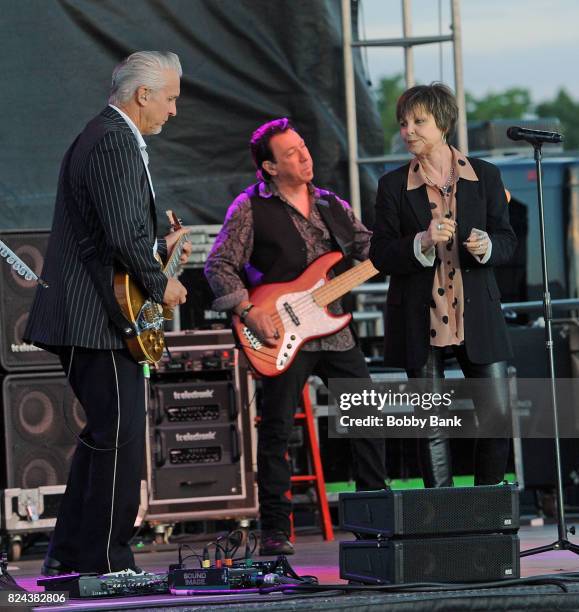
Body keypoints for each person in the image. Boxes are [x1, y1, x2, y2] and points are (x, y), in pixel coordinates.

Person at [24, 51, 190, 576]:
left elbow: (114, 233)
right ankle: (106, 563)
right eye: (170, 99)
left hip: (93, 316)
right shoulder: (115, 140)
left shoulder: (104, 137)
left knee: (105, 438)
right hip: (93, 320)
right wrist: (162, 282)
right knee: (118, 441)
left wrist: (158, 249)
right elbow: (121, 237)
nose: (173, 111)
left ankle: (69, 559)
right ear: (143, 95)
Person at [204, 118, 387, 555]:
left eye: (303, 147)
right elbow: (217, 266)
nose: (304, 156)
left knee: (367, 419)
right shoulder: (249, 207)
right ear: (269, 166)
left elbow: (372, 252)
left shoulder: (332, 205)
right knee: (277, 430)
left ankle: (374, 521)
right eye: (291, 153)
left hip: (334, 328)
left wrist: (413, 245)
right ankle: (275, 530)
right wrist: (248, 312)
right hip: (279, 330)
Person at [369, 83, 517, 488]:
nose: (408, 130)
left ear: (443, 123)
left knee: (497, 415)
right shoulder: (392, 185)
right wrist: (421, 241)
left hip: (477, 315)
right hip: (422, 316)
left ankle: (485, 509)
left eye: (419, 121)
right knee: (431, 425)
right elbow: (380, 254)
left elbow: (508, 241)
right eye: (403, 123)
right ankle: (444, 518)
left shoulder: (485, 175)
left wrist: (487, 245)